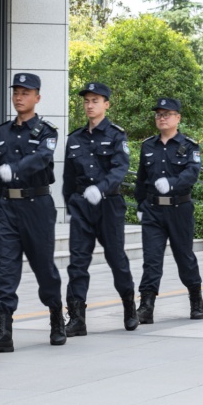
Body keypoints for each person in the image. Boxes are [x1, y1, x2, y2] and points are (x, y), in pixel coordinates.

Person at [0, 73, 66, 353]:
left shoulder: (47, 131)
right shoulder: (1, 132)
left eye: (25, 93)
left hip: (37, 205)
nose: (19, 97)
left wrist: (16, 170)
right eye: (16, 92)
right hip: (8, 207)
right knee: (5, 269)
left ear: (37, 98)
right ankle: (3, 332)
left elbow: (42, 158)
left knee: (44, 267)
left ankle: (56, 317)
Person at [62, 82, 139, 335]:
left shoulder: (116, 135)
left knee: (116, 259)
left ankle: (129, 306)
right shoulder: (75, 138)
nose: (90, 105)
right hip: (82, 206)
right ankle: (77, 318)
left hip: (109, 205)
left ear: (106, 104)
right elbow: (68, 177)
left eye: (95, 101)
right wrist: (70, 205)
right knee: (77, 262)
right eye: (86, 101)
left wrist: (102, 188)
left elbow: (120, 168)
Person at [133, 97, 203, 324]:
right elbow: (141, 179)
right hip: (153, 210)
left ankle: (195, 297)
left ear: (178, 118)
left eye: (166, 114)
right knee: (151, 259)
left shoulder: (189, 146)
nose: (162, 118)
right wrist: (140, 205)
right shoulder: (148, 145)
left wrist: (172, 184)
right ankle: (146, 306)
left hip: (179, 209)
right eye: (158, 114)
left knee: (184, 257)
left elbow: (192, 173)